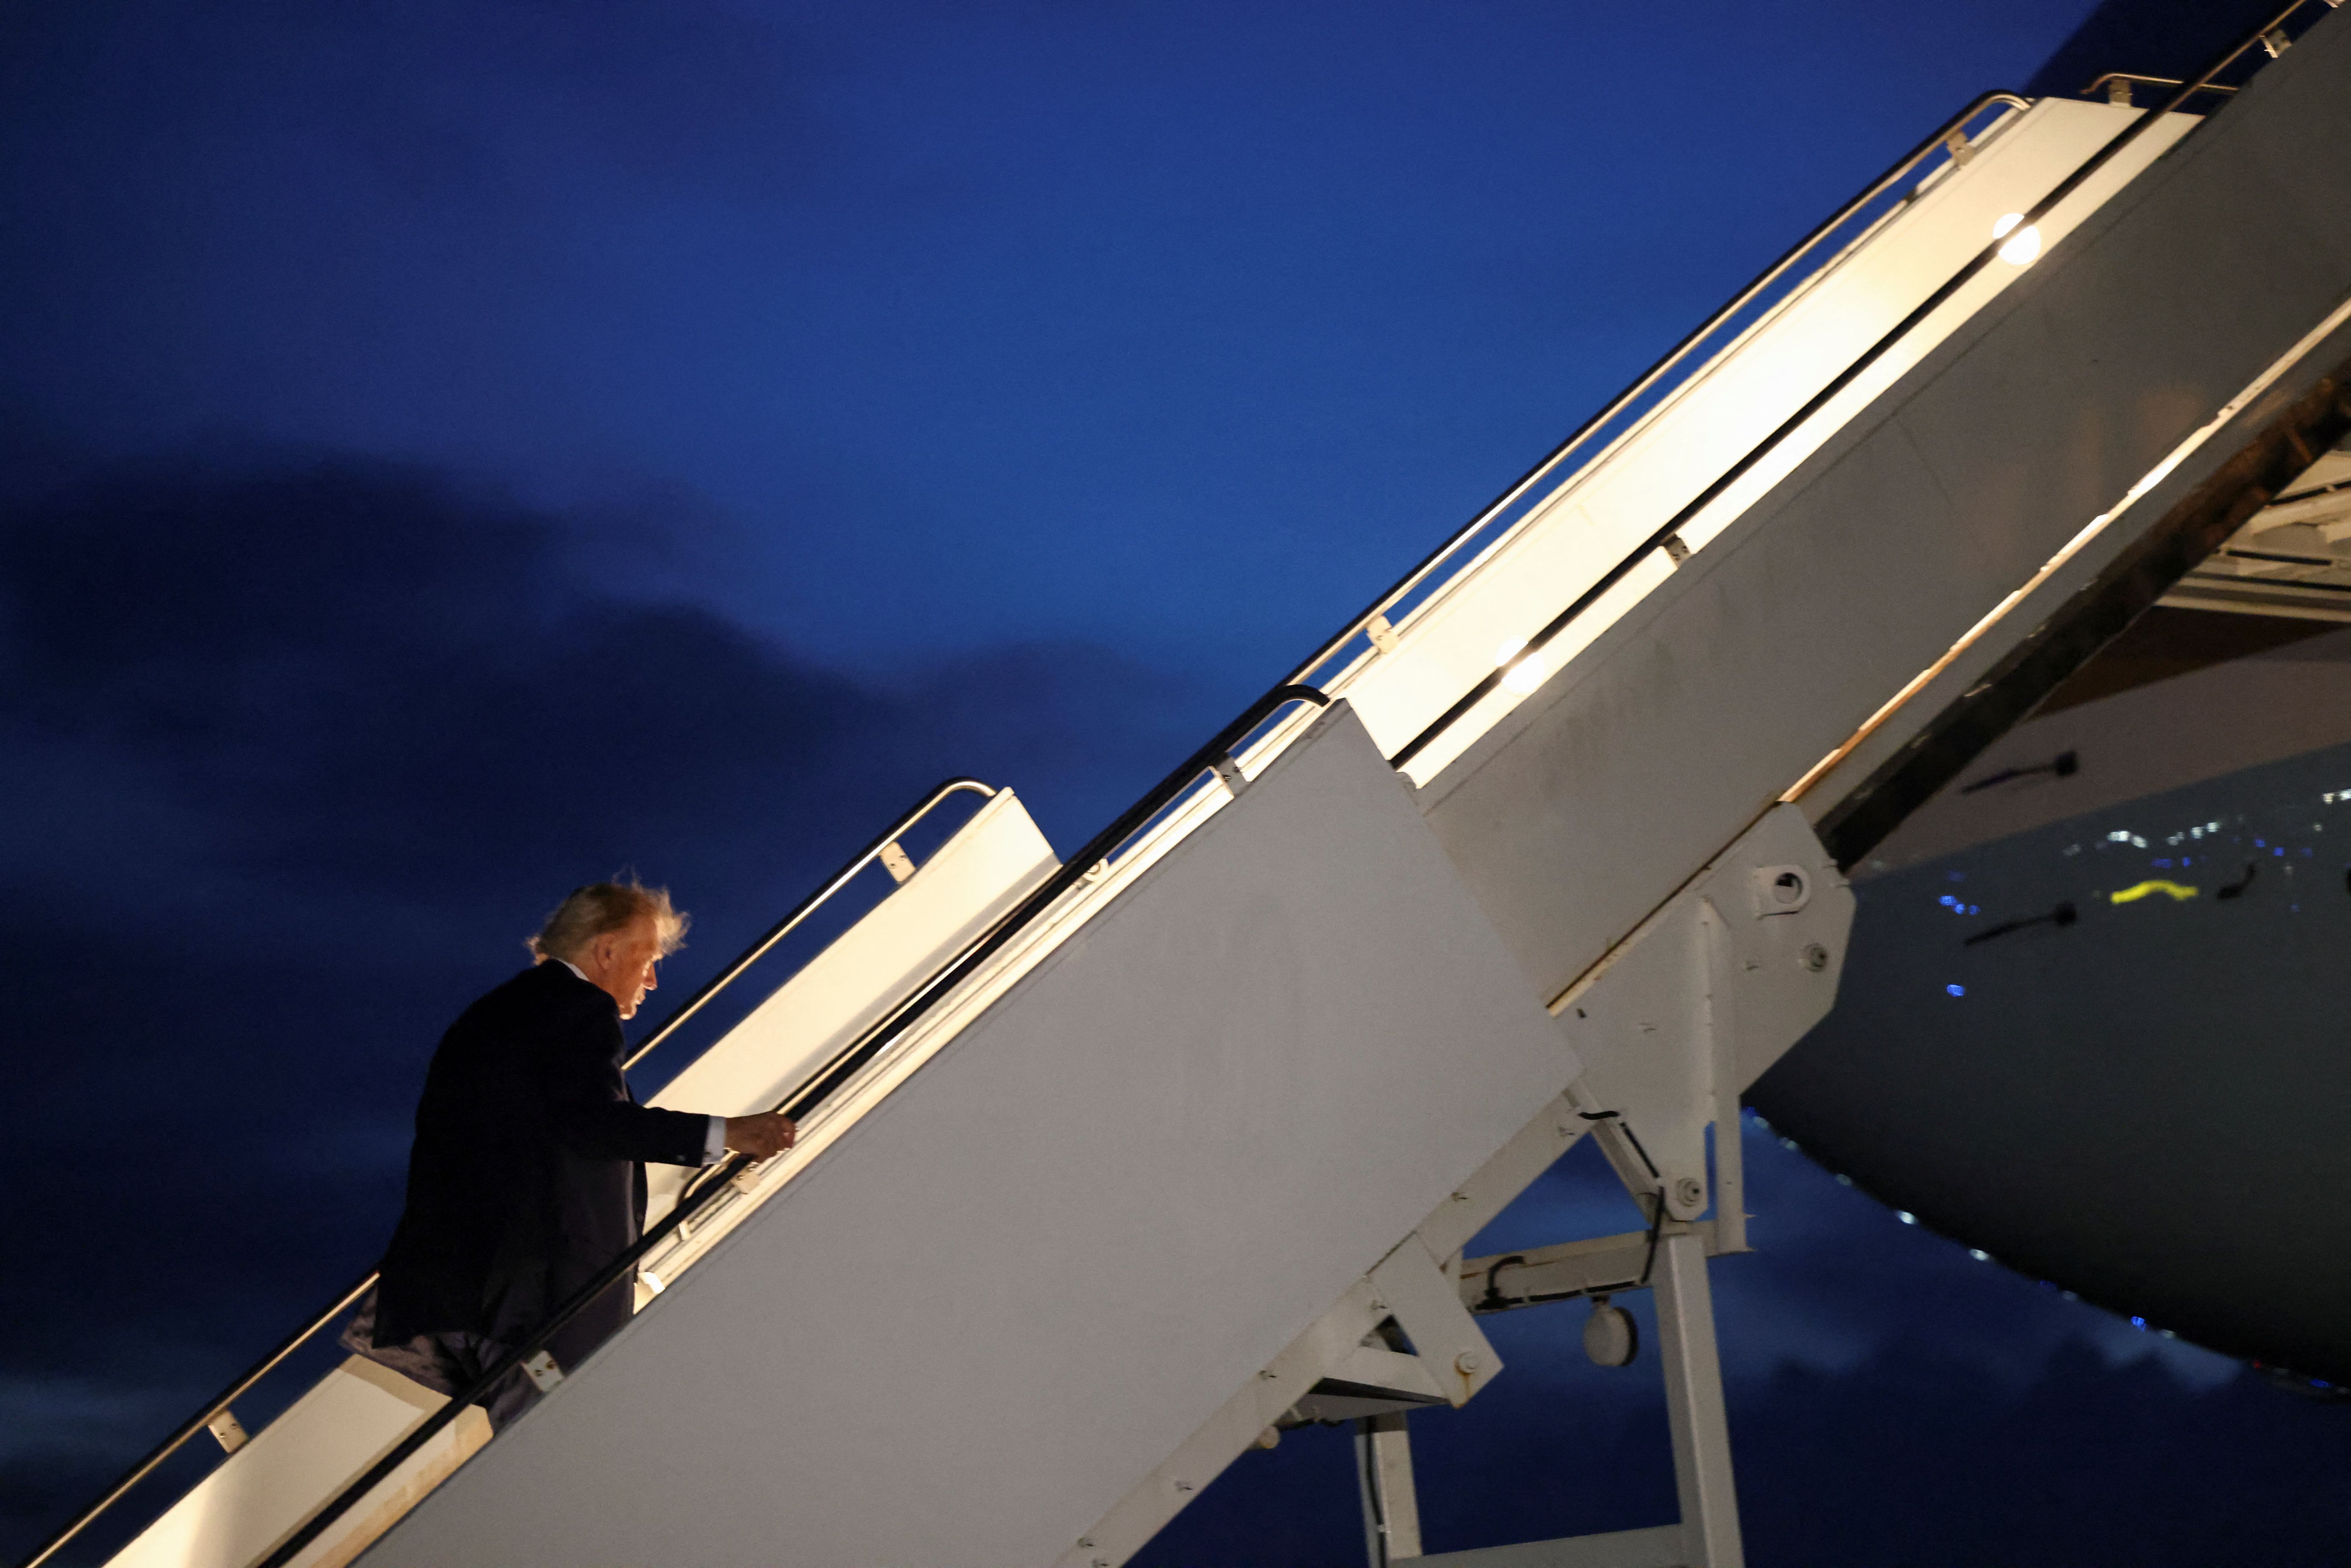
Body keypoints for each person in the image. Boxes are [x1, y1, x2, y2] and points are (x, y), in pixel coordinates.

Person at [344, 879, 796, 1427]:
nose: (653, 979)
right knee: (558, 1436)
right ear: (606, 951)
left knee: (551, 1432)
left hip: (494, 1299)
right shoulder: (575, 1008)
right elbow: (592, 1123)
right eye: (647, 959)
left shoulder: (506, 1012)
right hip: (541, 1304)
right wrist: (727, 1132)